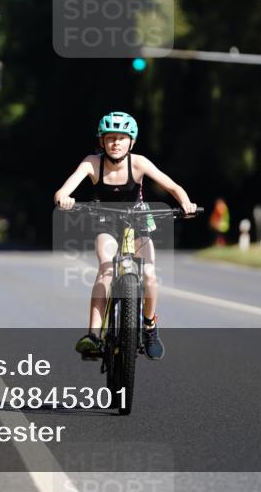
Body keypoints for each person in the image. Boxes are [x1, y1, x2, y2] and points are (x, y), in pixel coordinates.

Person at [53, 111, 197, 360]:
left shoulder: (139, 163)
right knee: (106, 270)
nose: (116, 143)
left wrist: (186, 203)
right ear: (101, 142)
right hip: (106, 221)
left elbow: (172, 186)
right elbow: (64, 189)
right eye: (110, 138)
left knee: (150, 274)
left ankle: (149, 326)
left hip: (138, 220)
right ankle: (93, 336)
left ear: (132, 141)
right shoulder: (92, 163)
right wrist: (63, 199)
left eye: (122, 137)